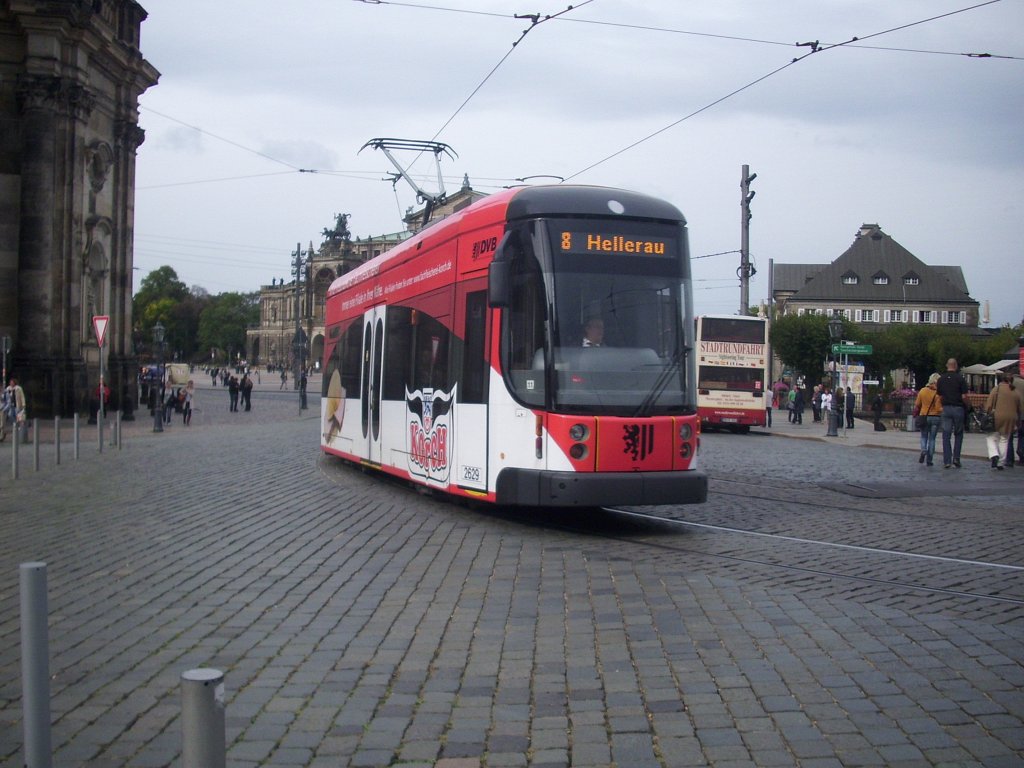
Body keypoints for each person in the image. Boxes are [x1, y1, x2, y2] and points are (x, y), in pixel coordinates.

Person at [984, 372, 1023, 470]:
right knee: (1004, 439)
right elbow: (1020, 408)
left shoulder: (997, 389)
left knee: (991, 437)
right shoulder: (1015, 391)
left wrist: (987, 411)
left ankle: (994, 454)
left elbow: (989, 405)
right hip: (1011, 418)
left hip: (997, 416)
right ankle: (1001, 461)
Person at [936, 357, 969, 469]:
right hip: (958, 408)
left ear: (947, 365)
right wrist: (968, 405)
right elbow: (964, 396)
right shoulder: (960, 379)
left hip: (946, 408)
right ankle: (956, 458)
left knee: (946, 435)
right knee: (958, 434)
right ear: (956, 366)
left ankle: (947, 461)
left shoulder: (941, 379)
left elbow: (939, 396)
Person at [913, 373, 943, 466]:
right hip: (936, 417)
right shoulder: (938, 393)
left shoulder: (923, 391)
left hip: (924, 416)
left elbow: (917, 404)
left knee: (924, 436)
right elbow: (938, 408)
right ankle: (929, 460)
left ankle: (923, 450)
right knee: (932, 439)